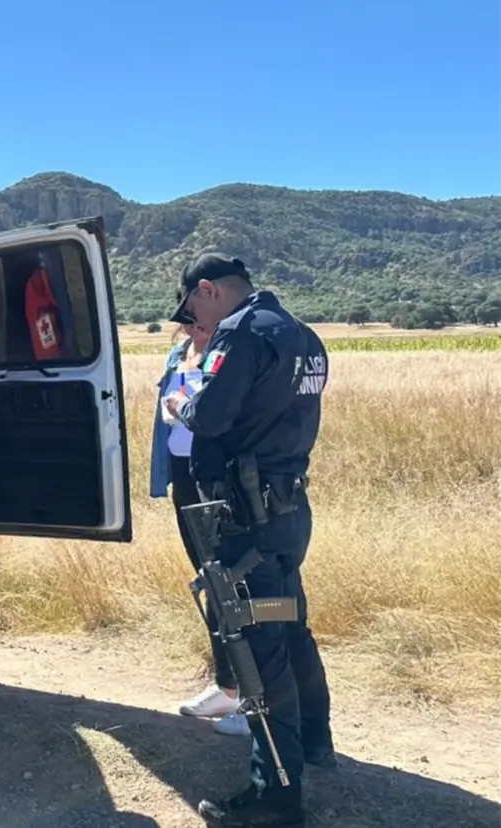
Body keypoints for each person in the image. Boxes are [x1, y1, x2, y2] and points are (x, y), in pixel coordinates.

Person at [162, 253, 336, 827]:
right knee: (291, 625)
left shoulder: (241, 334)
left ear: (207, 291)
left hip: (244, 516)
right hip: (287, 509)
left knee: (258, 651)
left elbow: (208, 417)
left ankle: (276, 794)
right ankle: (315, 742)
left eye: (191, 304)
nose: (192, 315)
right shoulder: (303, 334)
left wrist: (177, 405)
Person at [152, 322, 251, 740]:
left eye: (202, 316)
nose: (195, 324)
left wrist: (181, 406)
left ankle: (253, 698)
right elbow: (167, 413)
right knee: (210, 579)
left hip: (218, 477)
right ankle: (228, 687)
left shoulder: (233, 359)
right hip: (184, 474)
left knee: (234, 582)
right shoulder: (178, 356)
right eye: (189, 317)